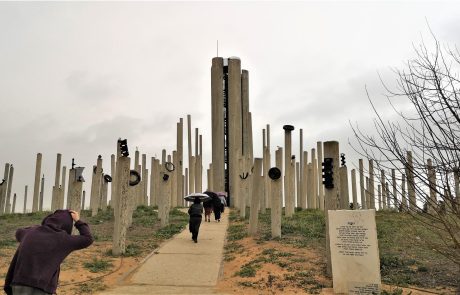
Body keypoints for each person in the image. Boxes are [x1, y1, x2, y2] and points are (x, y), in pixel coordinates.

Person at [4, 209, 93, 295]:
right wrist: (78, 221)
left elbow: (18, 232)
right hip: (41, 287)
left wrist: (39, 227)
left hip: (18, 283)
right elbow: (88, 238)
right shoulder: (63, 238)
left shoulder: (29, 232)